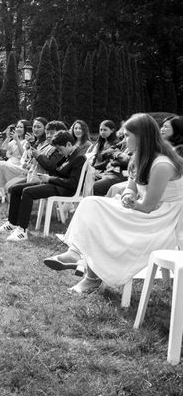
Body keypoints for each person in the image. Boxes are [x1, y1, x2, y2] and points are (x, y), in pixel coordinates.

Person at [44, 113, 183, 294]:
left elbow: (148, 206)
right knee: (91, 204)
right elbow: (131, 187)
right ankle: (76, 253)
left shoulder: (162, 165)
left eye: (127, 135)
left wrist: (132, 204)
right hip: (144, 211)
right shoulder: (139, 157)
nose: (123, 140)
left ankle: (89, 275)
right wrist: (127, 195)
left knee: (100, 217)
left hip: (162, 220)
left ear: (142, 136)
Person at [0, 130, 87, 242]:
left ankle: (22, 230)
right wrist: (47, 177)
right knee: (15, 189)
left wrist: (50, 179)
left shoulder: (79, 157)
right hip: (54, 183)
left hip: (64, 189)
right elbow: (55, 169)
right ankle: (12, 223)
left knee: (28, 192)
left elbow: (73, 183)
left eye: (60, 149)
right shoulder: (68, 154)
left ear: (68, 144)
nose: (60, 152)